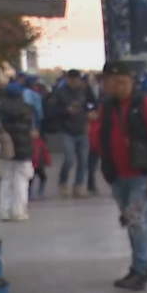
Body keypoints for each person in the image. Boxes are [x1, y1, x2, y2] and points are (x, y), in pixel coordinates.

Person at [92, 61, 147, 292]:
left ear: (123, 81)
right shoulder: (107, 107)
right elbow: (98, 139)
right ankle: (143, 264)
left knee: (137, 222)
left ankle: (140, 270)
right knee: (133, 222)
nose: (105, 86)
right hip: (117, 176)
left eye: (109, 81)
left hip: (140, 175)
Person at [0, 82, 37, 221]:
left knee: (6, 180)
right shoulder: (27, 109)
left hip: (6, 147)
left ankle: (4, 210)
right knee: (22, 180)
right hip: (23, 147)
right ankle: (19, 211)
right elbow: (33, 128)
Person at [54, 69, 90, 198]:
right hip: (66, 130)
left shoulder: (84, 90)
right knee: (69, 158)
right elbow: (53, 111)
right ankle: (63, 182)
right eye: (72, 80)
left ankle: (79, 185)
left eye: (77, 80)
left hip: (81, 129)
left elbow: (91, 104)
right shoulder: (60, 93)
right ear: (67, 79)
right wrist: (67, 111)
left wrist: (91, 112)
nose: (75, 82)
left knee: (83, 160)